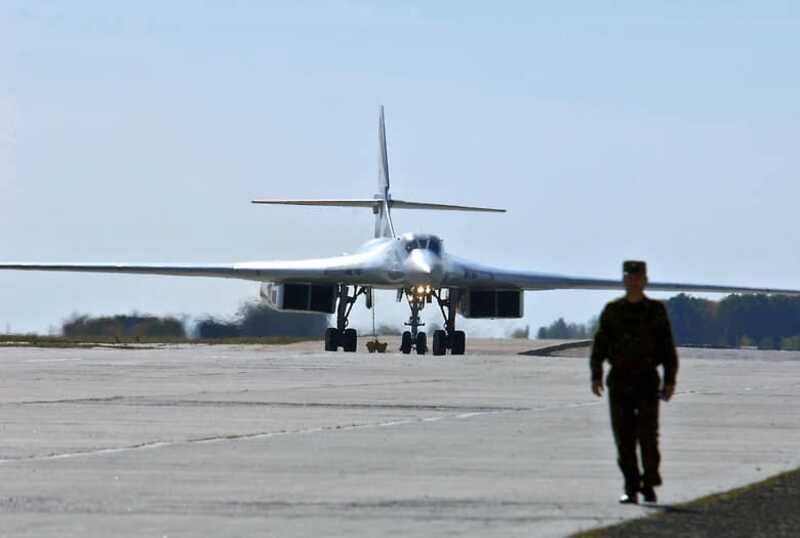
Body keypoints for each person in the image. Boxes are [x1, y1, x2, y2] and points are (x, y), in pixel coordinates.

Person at [590, 260, 679, 504]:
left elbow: (667, 348)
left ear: (645, 280)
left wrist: (670, 380)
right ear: (624, 280)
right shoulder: (612, 311)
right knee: (624, 438)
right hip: (619, 381)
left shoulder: (656, 311)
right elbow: (599, 346)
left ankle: (649, 482)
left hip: (647, 381)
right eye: (629, 276)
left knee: (648, 436)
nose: (633, 281)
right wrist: (596, 375)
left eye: (637, 277)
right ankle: (631, 486)